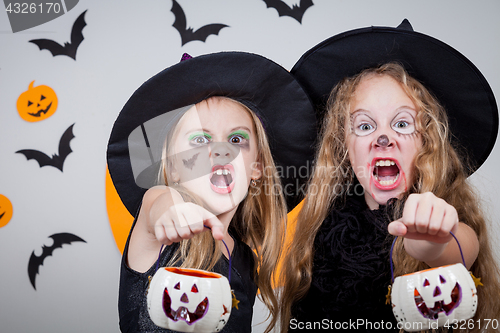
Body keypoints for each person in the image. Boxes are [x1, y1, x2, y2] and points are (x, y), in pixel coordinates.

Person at [280, 20, 500, 332]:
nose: (384, 138)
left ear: (427, 141)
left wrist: (433, 244)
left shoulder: (442, 216)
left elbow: (461, 247)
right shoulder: (314, 227)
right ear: (343, 145)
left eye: (401, 123)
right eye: (366, 126)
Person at [106, 52, 316, 333]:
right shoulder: (161, 228)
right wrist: (169, 209)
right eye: (200, 139)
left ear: (257, 168)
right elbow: (156, 202)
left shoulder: (245, 260)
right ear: (174, 167)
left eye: (236, 139)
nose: (220, 150)